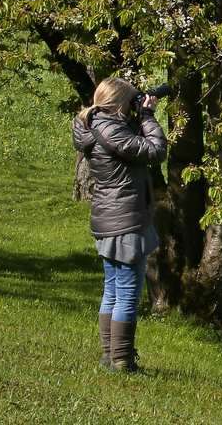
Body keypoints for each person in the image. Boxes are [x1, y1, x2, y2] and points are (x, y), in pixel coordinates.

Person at [73, 77, 167, 373]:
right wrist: (149, 117)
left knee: (112, 290)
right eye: (130, 101)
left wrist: (138, 115)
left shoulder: (97, 125)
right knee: (126, 292)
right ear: (117, 104)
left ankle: (109, 354)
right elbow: (156, 151)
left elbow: (131, 148)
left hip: (109, 217)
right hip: (126, 220)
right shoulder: (113, 130)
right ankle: (122, 360)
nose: (134, 105)